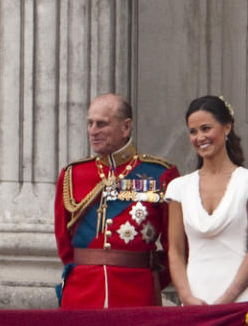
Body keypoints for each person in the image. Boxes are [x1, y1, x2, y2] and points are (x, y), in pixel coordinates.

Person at [54, 93, 180, 308]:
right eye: (90, 123)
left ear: (126, 127)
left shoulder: (160, 175)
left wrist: (151, 278)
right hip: (82, 291)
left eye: (101, 124)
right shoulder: (73, 174)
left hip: (137, 292)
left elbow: (175, 245)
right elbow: (64, 243)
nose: (93, 131)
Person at [165, 96, 248, 304]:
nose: (199, 137)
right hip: (194, 299)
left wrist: (228, 297)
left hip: (239, 297)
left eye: (206, 128)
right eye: (193, 131)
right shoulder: (178, 187)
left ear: (227, 127)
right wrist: (187, 297)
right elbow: (175, 250)